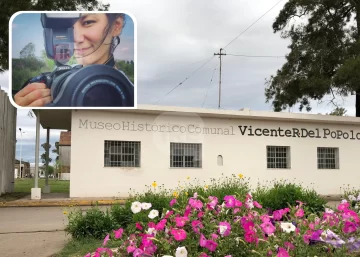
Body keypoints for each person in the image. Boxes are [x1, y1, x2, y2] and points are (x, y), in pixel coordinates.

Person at [14, 13, 127, 107]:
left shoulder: (132, 93)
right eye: (67, 29)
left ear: (116, 26)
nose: (75, 38)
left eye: (88, 22)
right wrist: (20, 107)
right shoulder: (48, 82)